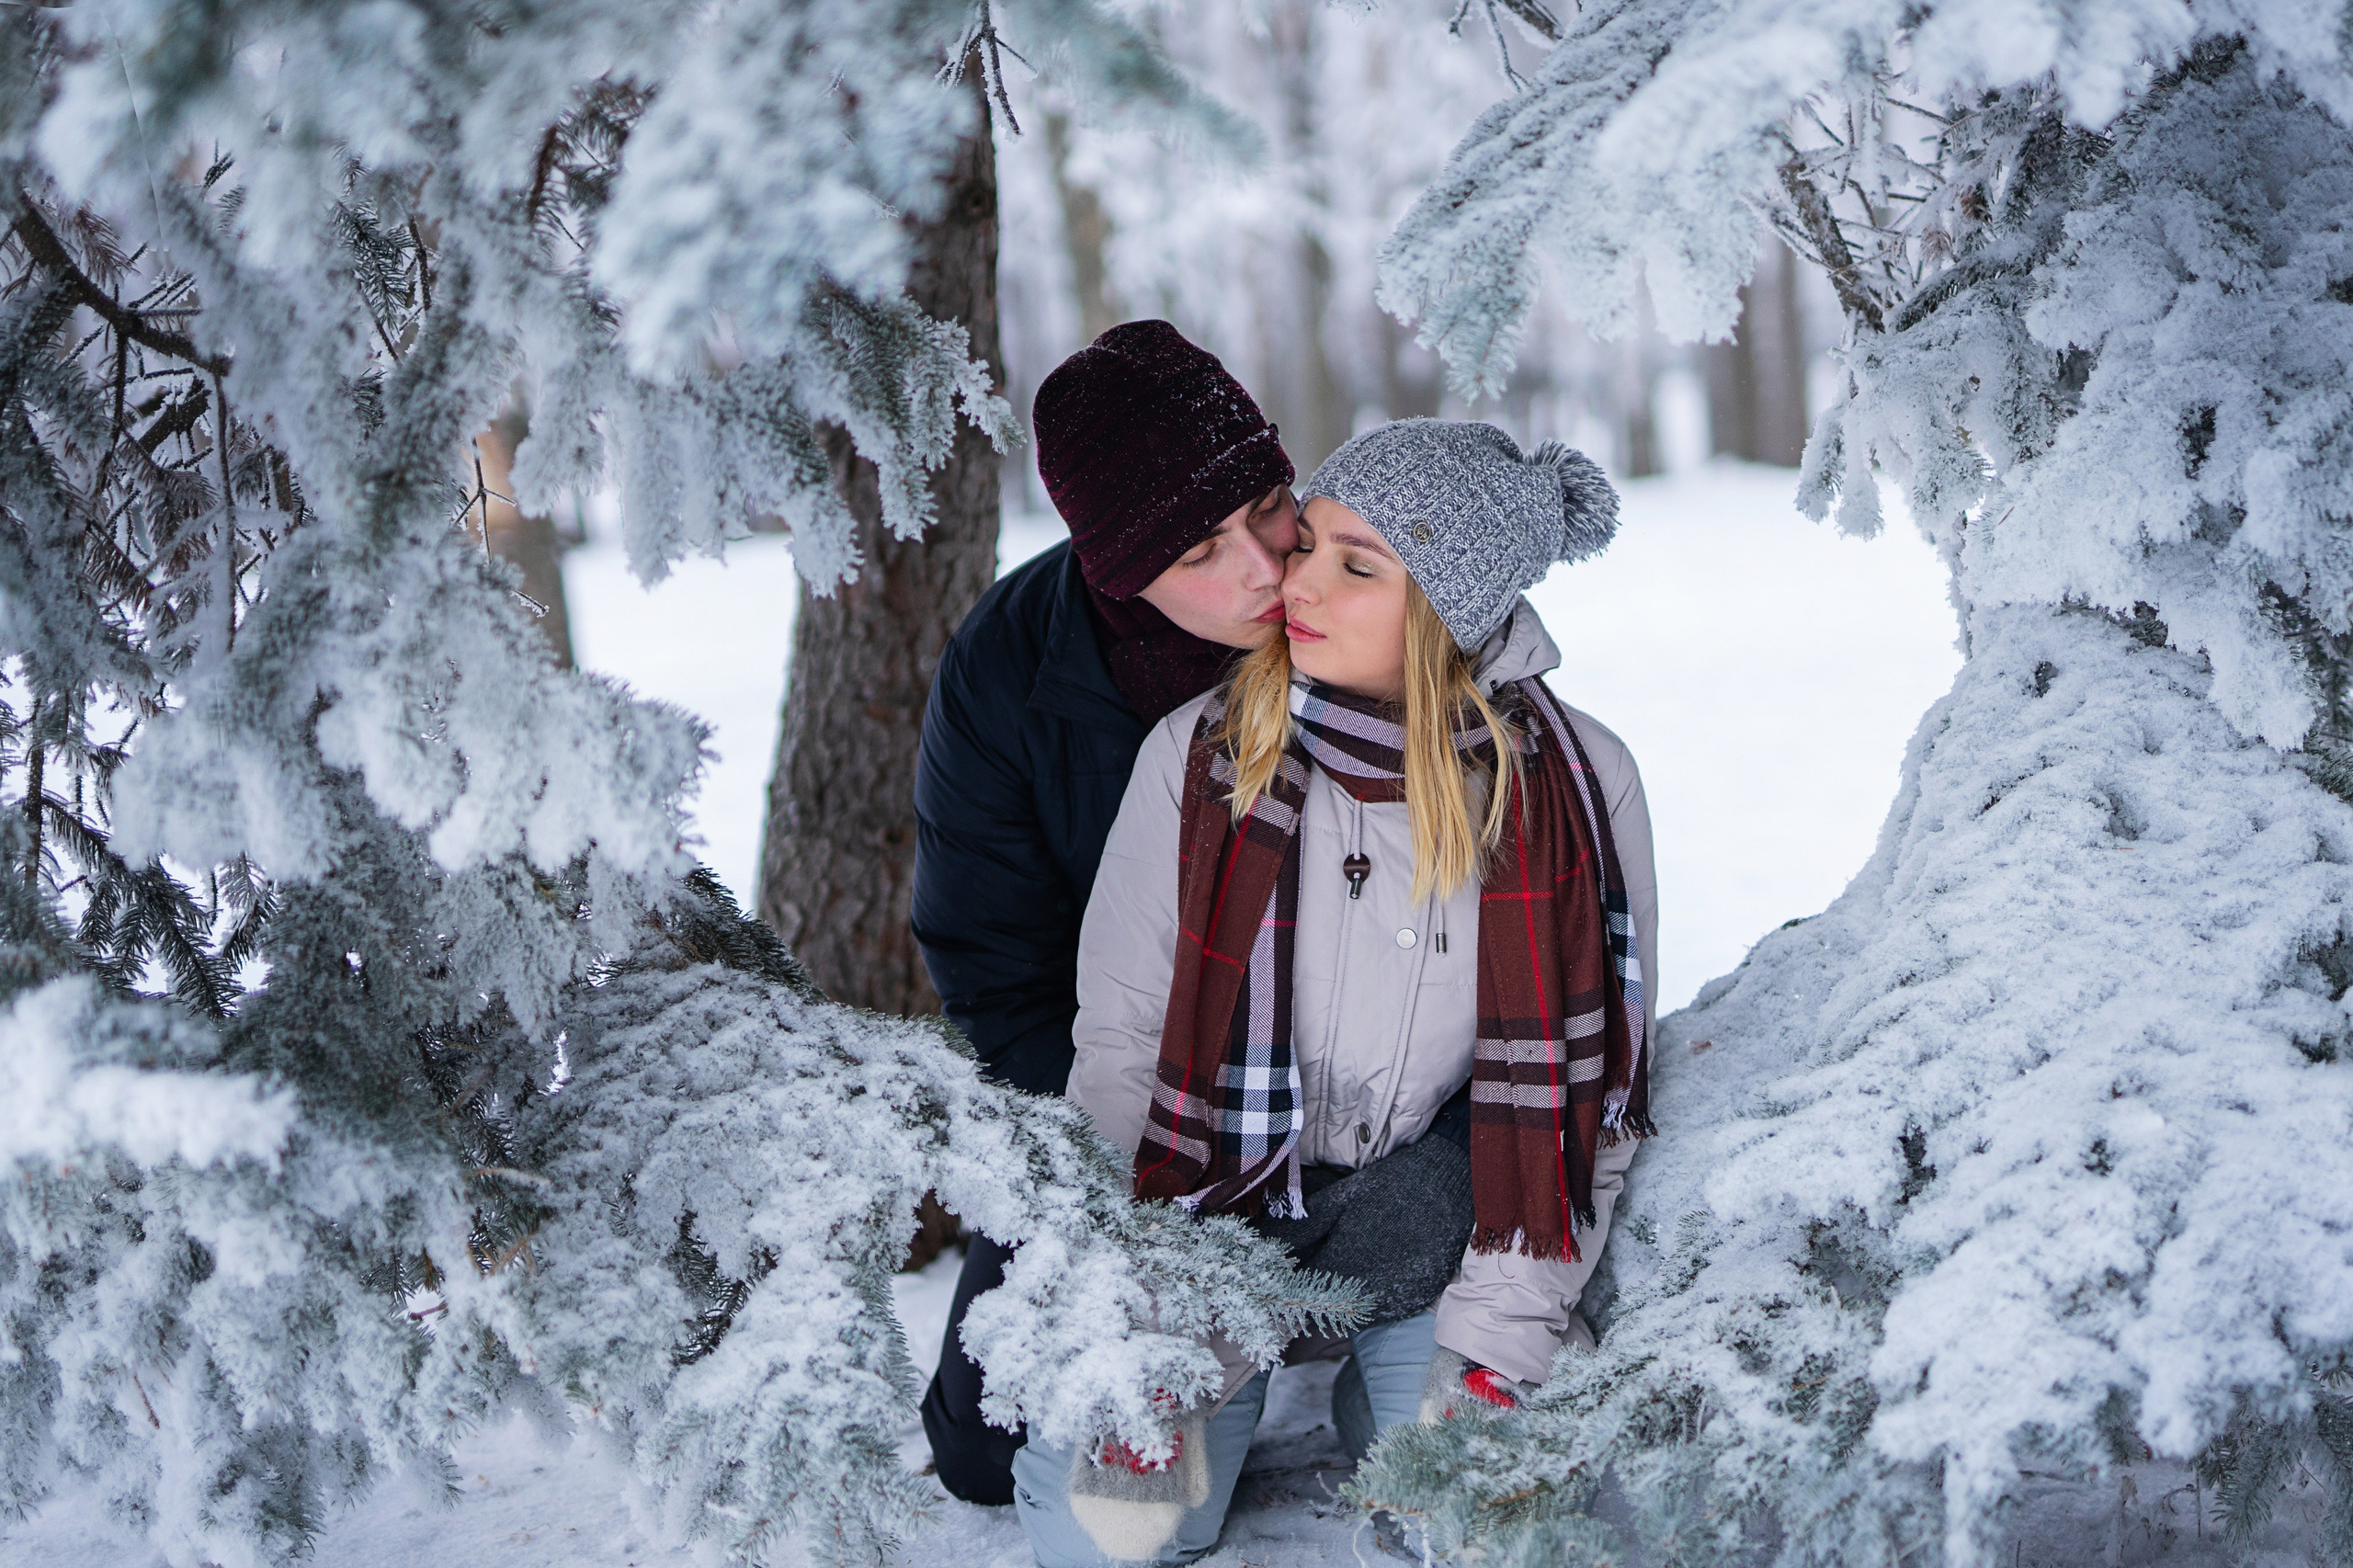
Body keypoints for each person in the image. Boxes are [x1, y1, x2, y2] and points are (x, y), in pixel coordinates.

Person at [1017, 418, 1660, 1565]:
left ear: (1449, 608)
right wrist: (1136, 1316)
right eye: (1306, 540)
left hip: (1438, 1217)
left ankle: (1392, 1389)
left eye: (1355, 564)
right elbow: (1119, 1046)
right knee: (1104, 1537)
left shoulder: (1575, 781)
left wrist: (1496, 1351)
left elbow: (1590, 1096)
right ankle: (1228, 1385)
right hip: (1208, 1219)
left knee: (1472, 1525)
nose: (1292, 582)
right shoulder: (1201, 753)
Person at [914, 320, 1302, 1506]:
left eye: (1268, 509)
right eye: (1201, 549)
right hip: (1125, 1112)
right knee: (988, 1443)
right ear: (1115, 568)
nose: (1262, 571)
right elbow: (992, 967)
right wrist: (1126, 1173)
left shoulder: (1361, 595)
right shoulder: (1006, 673)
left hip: (1355, 1090)